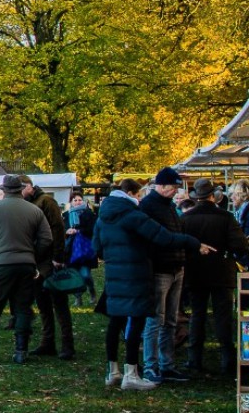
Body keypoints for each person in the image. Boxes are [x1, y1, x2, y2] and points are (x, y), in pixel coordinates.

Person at [94, 177, 212, 392]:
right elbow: (163, 237)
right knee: (137, 321)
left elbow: (97, 247)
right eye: (138, 195)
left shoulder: (103, 217)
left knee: (116, 322)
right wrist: (193, 243)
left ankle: (113, 372)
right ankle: (131, 374)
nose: (140, 199)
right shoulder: (133, 216)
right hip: (136, 274)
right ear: (130, 195)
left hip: (114, 276)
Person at [0, 174, 50, 365]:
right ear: (21, 188)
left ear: (4, 190)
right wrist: (34, 256)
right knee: (23, 308)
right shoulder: (34, 210)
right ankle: (21, 351)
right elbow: (46, 239)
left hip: (0, 265)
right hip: (26, 265)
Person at [179, 178, 249, 376]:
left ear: (197, 198)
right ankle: (227, 360)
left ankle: (194, 360)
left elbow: (180, 243)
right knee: (223, 317)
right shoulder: (225, 217)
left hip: (195, 272)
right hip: (221, 272)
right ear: (213, 197)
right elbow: (240, 245)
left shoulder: (186, 218)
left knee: (197, 316)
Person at [140, 167, 193, 384]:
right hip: (160, 270)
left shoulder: (169, 207)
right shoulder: (149, 207)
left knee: (170, 320)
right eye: (173, 187)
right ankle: (151, 366)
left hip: (176, 267)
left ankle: (166, 364)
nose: (175, 191)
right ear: (161, 186)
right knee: (155, 319)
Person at [20, 176, 75, 360]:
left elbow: (58, 228)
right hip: (36, 260)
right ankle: (47, 342)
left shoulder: (46, 201)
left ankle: (67, 344)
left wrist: (58, 256)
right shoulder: (29, 203)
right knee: (43, 303)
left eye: (21, 189)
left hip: (50, 260)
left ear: (29, 186)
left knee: (59, 303)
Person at [64, 193, 98, 307]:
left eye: (80, 200)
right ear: (71, 202)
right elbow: (61, 229)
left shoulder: (89, 214)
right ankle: (78, 298)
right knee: (75, 276)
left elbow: (93, 230)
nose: (78, 202)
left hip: (84, 250)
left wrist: (79, 231)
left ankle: (92, 291)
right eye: (75, 200)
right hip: (71, 250)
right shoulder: (66, 215)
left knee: (85, 275)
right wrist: (67, 231)